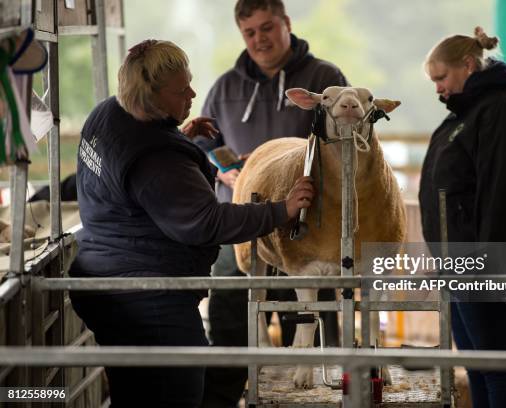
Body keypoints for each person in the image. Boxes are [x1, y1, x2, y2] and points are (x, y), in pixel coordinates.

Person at [68, 39, 315, 408]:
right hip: (149, 297)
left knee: (135, 391)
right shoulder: (157, 158)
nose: (193, 93)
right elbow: (206, 221)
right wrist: (282, 210)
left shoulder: (107, 114)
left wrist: (177, 135)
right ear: (150, 97)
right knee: (176, 393)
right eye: (181, 90)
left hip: (106, 278)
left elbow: (136, 178)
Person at [196, 1, 348, 405]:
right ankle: (227, 399)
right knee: (231, 313)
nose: (259, 39)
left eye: (267, 28)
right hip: (239, 221)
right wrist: (223, 170)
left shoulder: (324, 77)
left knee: (312, 315)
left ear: (287, 24)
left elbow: (343, 143)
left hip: (308, 227)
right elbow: (203, 140)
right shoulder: (225, 87)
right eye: (250, 33)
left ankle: (321, 396)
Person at [418, 27, 506, 408]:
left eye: (441, 78)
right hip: (461, 262)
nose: (437, 88)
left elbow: (504, 196)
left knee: (495, 364)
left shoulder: (501, 113)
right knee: (478, 363)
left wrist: (486, 263)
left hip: (484, 263)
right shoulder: (468, 115)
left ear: (468, 66)